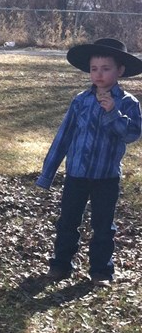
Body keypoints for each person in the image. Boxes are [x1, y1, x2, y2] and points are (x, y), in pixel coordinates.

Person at [36, 38, 142, 287]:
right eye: (94, 69)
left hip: (107, 177)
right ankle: (60, 265)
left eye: (106, 68)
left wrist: (113, 113)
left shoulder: (128, 103)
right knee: (68, 221)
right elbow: (63, 136)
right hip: (77, 174)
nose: (99, 74)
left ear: (120, 71)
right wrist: (47, 173)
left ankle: (101, 271)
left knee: (104, 226)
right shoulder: (80, 101)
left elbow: (131, 135)